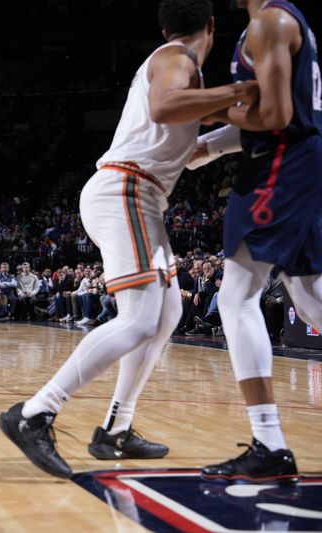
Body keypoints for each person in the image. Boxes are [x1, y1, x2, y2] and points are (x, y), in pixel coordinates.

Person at [0, 0, 259, 478]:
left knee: (168, 313)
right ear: (213, 27)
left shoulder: (184, 77)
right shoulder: (176, 58)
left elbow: (195, 150)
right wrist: (241, 90)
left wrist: (245, 134)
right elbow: (165, 106)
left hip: (140, 195)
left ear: (163, 25)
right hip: (126, 190)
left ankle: (116, 429)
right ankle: (34, 413)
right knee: (138, 319)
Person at [188, 0, 321, 484]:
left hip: (281, 165)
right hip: (297, 163)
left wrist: (212, 106)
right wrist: (211, 146)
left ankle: (269, 443)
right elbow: (273, 108)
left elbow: (279, 114)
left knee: (237, 296)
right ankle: (269, 444)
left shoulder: (270, 21)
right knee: (310, 301)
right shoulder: (274, 21)